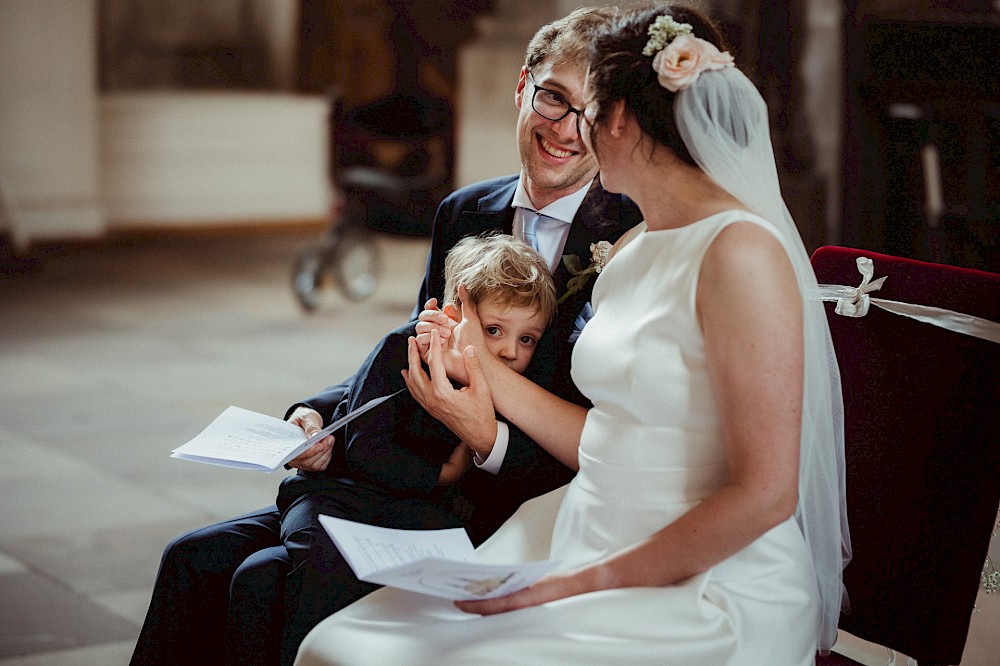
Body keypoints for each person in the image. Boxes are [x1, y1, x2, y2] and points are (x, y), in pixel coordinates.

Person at [292, 3, 851, 665]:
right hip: (581, 521)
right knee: (340, 644)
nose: (575, 137)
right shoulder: (642, 244)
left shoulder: (741, 253)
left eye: (588, 115)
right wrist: (478, 366)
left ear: (617, 118)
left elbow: (766, 496)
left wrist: (580, 581)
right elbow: (608, 431)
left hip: (698, 578)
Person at [130, 7, 642, 666]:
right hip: (392, 477)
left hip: (501, 505)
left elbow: (610, 428)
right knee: (191, 559)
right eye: (553, 98)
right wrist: (318, 413)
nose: (565, 130)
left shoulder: (628, 234)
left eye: (589, 112)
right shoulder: (463, 211)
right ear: (522, 88)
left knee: (260, 580)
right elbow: (411, 344)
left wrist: (485, 441)